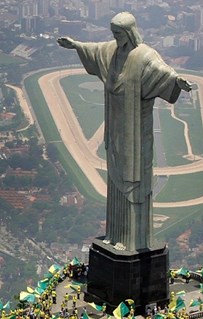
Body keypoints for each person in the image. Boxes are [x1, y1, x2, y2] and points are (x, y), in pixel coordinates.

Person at [57, 12, 192, 251]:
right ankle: (115, 235)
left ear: (130, 32)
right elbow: (95, 50)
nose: (116, 38)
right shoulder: (111, 51)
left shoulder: (143, 56)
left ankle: (134, 240)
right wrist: (75, 45)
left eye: (119, 34)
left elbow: (162, 71)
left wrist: (177, 81)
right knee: (116, 181)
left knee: (134, 180)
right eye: (114, 33)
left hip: (136, 133)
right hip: (117, 129)